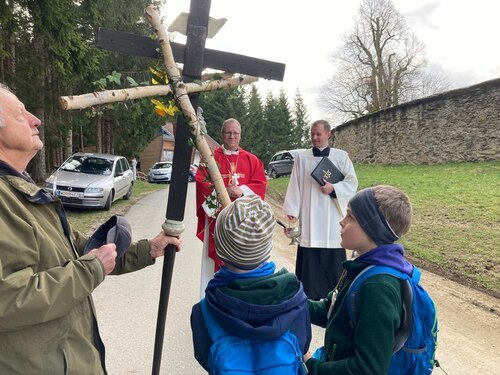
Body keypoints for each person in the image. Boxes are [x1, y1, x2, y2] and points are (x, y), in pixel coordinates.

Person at [0, 84, 182, 374]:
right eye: (20, 114)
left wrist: (149, 249)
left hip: (70, 357)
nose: (36, 119)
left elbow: (83, 251)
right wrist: (92, 268)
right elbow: (9, 299)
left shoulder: (20, 190)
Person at [190, 195, 311, 372]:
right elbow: (303, 344)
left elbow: (204, 358)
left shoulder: (203, 311)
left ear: (220, 248)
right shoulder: (295, 300)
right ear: (268, 248)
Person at [303, 185, 415, 374]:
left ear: (373, 228)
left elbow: (368, 369)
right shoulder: (361, 266)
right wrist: (291, 302)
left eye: (351, 217)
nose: (342, 221)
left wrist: (311, 365)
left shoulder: (378, 287)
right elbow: (331, 311)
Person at [283, 119, 358, 300]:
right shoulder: (302, 157)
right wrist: (292, 209)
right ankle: (307, 297)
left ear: (328, 134)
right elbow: (295, 185)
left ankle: (334, 296)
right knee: (309, 258)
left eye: (318, 134)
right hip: (310, 217)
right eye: (312, 134)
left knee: (333, 256)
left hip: (332, 218)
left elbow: (352, 183)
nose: (314, 138)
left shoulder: (341, 157)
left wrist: (334, 189)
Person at [195, 118, 267, 295]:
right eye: (228, 132)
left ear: (240, 135)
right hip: (218, 221)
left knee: (244, 260)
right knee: (217, 264)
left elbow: (261, 186)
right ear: (222, 134)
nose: (232, 136)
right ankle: (213, 298)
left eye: (235, 133)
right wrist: (223, 192)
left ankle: (241, 297)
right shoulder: (210, 158)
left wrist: (241, 191)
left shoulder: (252, 160)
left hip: (244, 223)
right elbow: (201, 183)